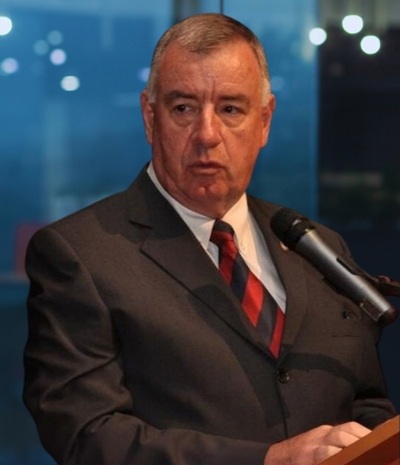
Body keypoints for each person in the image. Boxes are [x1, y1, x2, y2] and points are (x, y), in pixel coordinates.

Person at [23, 13, 396, 465]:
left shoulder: (318, 247)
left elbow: (367, 402)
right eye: (183, 108)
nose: (207, 134)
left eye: (230, 109)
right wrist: (270, 459)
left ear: (264, 121)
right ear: (149, 117)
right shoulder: (80, 254)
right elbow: (87, 433)